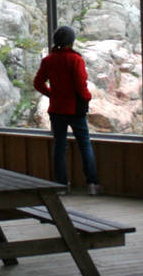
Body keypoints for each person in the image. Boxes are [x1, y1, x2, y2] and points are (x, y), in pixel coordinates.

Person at [32, 25, 101, 195]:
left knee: (59, 146)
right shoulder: (75, 59)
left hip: (56, 109)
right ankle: (92, 184)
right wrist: (87, 97)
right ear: (71, 41)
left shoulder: (48, 60)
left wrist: (52, 95)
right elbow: (80, 84)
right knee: (84, 144)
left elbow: (38, 83)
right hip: (75, 109)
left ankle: (61, 185)